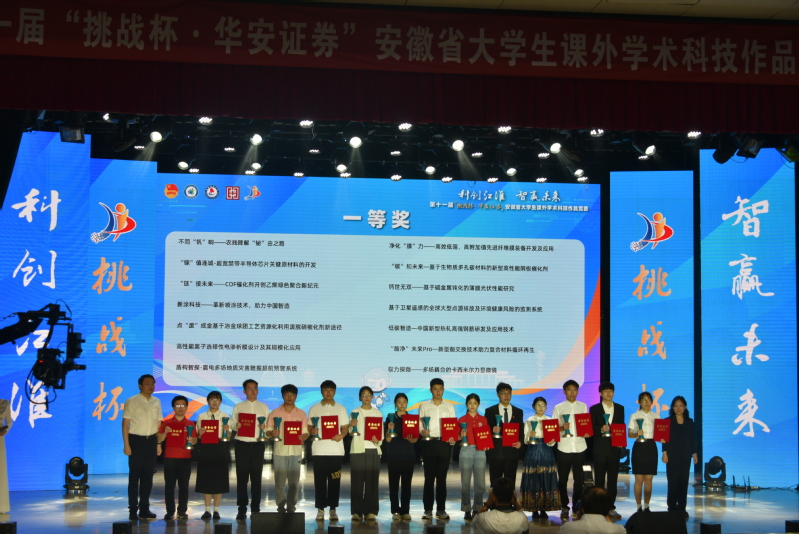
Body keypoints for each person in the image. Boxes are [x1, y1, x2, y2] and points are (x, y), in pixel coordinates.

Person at [122, 374, 162, 521]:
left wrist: (158, 443)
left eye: (152, 383)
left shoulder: (157, 401)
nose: (150, 386)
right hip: (136, 441)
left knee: (148, 477)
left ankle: (144, 509)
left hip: (151, 441)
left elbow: (159, 423)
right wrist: (127, 445)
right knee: (134, 477)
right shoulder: (132, 401)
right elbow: (125, 424)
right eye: (147, 383)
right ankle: (133, 509)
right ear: (140, 385)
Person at [307, 380, 349, 521]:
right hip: (319, 450)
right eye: (326, 390)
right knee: (319, 481)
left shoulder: (341, 409)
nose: (328, 392)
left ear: (335, 392)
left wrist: (341, 436)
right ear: (321, 392)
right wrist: (312, 431)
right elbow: (309, 426)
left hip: (336, 451)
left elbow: (345, 428)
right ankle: (320, 509)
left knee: (335, 481)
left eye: (331, 390)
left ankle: (333, 509)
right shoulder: (314, 408)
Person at [231, 379, 270, 521]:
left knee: (256, 479)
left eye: (255, 388)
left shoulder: (264, 407)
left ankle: (255, 508)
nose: (252, 391)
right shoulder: (238, 407)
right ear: (244, 391)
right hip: (242, 445)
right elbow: (232, 424)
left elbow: (269, 427)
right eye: (249, 388)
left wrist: (264, 428)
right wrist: (236, 425)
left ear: (257, 390)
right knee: (242, 479)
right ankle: (241, 509)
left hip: (257, 445)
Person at [267, 384, 309, 514]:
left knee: (294, 483)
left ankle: (291, 507)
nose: (289, 397)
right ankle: (280, 507)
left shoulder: (301, 414)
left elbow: (305, 432)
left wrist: (304, 436)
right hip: (280, 451)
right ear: (282, 396)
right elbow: (267, 431)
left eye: (292, 394)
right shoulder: (275, 413)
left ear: (296, 396)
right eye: (286, 394)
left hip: (295, 452)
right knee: (279, 483)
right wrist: (272, 433)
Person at [418, 377, 457, 520]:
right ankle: (427, 509)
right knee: (428, 479)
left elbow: (452, 425)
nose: (438, 392)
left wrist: (452, 437)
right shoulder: (424, 406)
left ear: (443, 390)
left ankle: (441, 509)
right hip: (429, 444)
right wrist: (422, 431)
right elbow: (420, 425)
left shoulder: (449, 406)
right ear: (431, 390)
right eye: (435, 389)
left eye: (440, 389)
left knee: (442, 479)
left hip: (444, 444)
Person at [553, 379, 589, 519]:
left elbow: (586, 424)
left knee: (578, 480)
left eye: (575, 390)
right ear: (564, 391)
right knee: (562, 480)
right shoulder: (558, 407)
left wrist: (587, 432)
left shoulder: (583, 406)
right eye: (569, 390)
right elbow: (553, 428)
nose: (572, 392)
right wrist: (562, 428)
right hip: (564, 447)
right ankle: (564, 506)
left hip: (580, 446)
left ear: (578, 392)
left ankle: (576, 506)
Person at [520, 396, 560, 519]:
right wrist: (529, 436)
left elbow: (553, 440)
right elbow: (525, 440)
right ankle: (534, 508)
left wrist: (551, 440)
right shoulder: (529, 420)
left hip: (546, 451)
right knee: (534, 479)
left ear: (546, 407)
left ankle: (544, 508)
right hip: (533, 451)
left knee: (546, 478)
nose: (541, 408)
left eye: (543, 405)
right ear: (533, 407)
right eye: (538, 405)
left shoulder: (550, 420)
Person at [589, 382, 625, 518]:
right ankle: (598, 509)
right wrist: (600, 428)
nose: (608, 393)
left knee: (612, 481)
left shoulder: (620, 408)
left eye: (611, 391)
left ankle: (611, 507)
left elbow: (621, 427)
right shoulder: (595, 408)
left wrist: (621, 442)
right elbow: (591, 427)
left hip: (614, 449)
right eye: (605, 391)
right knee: (599, 481)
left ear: (613, 393)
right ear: (600, 393)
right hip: (600, 449)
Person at [157, 395, 197, 521]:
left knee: (184, 486)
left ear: (187, 407)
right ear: (173, 407)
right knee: (169, 486)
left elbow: (195, 440)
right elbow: (159, 438)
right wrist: (165, 432)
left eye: (183, 405)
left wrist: (192, 440)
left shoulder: (190, 424)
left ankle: (182, 511)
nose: (180, 408)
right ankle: (170, 511)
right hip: (170, 458)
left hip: (185, 458)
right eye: (177, 405)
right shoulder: (166, 423)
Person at [349, 385, 383, 521]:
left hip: (373, 450)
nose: (366, 397)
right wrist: (352, 425)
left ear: (373, 397)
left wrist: (377, 440)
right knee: (357, 483)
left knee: (372, 482)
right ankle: (356, 512)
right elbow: (351, 432)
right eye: (364, 395)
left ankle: (371, 511)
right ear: (360, 397)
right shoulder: (355, 412)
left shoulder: (377, 413)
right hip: (358, 450)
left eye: (369, 395)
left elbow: (380, 434)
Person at [195, 390, 230, 521]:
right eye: (212, 399)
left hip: (220, 448)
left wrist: (227, 431)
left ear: (220, 401)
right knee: (206, 479)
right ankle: (207, 510)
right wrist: (200, 434)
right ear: (208, 401)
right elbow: (198, 435)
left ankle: (216, 510)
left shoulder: (225, 416)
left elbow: (228, 436)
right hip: (206, 449)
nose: (214, 402)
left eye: (217, 399)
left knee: (219, 479)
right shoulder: (202, 416)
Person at [661, 396, 697, 518]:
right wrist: (664, 453)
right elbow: (664, 439)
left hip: (686, 455)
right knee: (672, 483)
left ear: (685, 407)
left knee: (683, 482)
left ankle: (682, 509)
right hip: (672, 455)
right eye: (676, 406)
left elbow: (693, 438)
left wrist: (695, 453)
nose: (678, 408)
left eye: (681, 406)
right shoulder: (667, 421)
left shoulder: (690, 421)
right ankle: (671, 508)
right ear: (672, 408)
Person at [384, 392, 417, 521]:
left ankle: (405, 511)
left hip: (408, 455)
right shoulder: (390, 418)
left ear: (407, 403)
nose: (402, 404)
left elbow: (415, 439)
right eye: (399, 402)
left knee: (406, 485)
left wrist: (412, 440)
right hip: (394, 455)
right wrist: (389, 429)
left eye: (404, 402)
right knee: (393, 485)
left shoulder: (411, 419)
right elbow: (387, 439)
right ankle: (395, 511)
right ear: (395, 404)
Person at [484, 382, 524, 488]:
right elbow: (485, 430)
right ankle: (495, 499)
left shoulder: (518, 411)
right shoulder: (490, 411)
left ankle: (510, 499)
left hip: (512, 452)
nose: (506, 396)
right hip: (496, 452)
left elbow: (521, 430)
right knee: (495, 482)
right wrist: (492, 430)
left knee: (510, 483)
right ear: (498, 394)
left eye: (508, 393)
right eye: (503, 393)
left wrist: (521, 442)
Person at [458, 393, 489, 522]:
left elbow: (486, 436)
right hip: (466, 450)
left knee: (480, 484)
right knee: (465, 483)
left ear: (478, 404)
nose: (472, 406)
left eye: (475, 403)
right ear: (466, 404)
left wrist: (486, 444)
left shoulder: (483, 419)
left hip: (480, 451)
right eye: (470, 403)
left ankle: (477, 507)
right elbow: (457, 438)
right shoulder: (461, 420)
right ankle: (466, 509)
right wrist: (461, 434)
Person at [628, 391, 660, 513]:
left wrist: (662, 438)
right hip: (639, 447)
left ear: (652, 402)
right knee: (639, 480)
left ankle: (646, 506)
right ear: (640, 402)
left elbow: (660, 433)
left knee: (649, 480)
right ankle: (638, 507)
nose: (646, 402)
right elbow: (629, 434)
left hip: (651, 447)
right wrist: (636, 434)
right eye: (643, 400)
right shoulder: (634, 416)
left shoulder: (656, 416)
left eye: (648, 400)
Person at [557, 487, 625, 534]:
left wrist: (578, 521)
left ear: (582, 509)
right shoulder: (619, 530)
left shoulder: (566, 528)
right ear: (609, 510)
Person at [0, 398, 12, 515]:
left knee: (0, 471)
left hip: (0, 437)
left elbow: (9, 422)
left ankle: (1, 505)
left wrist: (5, 430)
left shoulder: (4, 404)